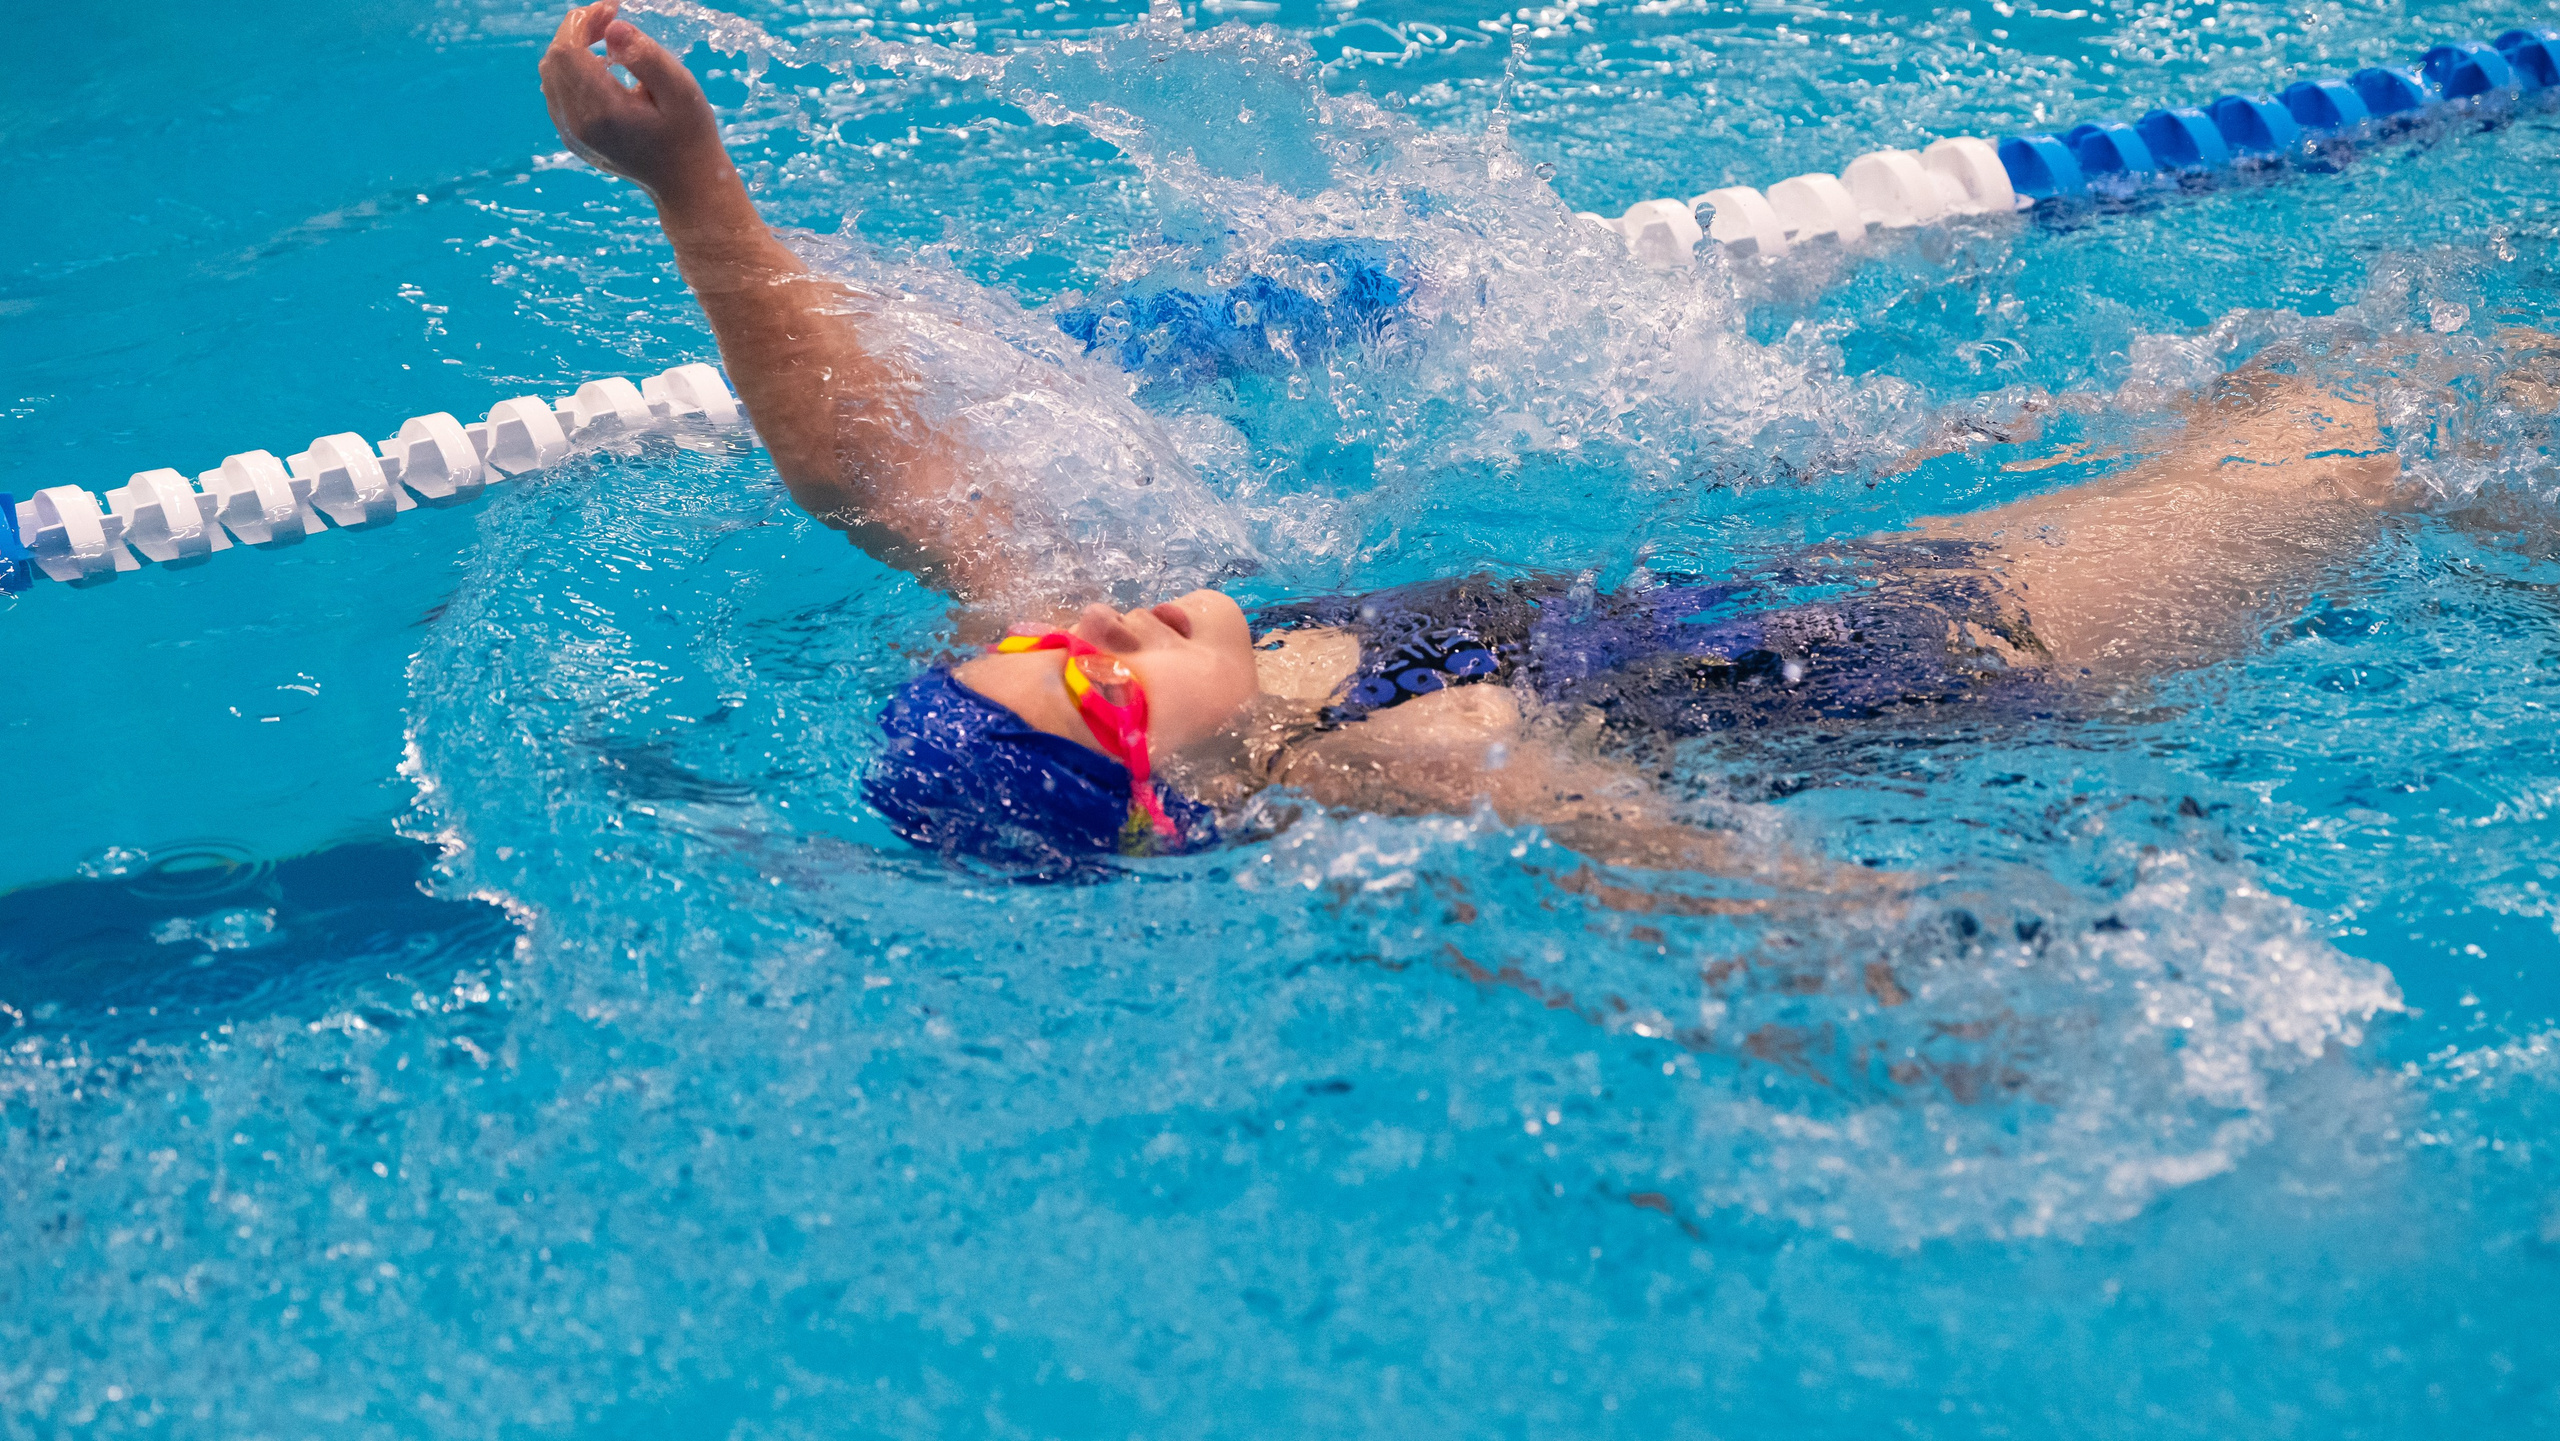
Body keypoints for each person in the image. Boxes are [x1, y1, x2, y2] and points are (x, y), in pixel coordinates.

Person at [535, 2, 2493, 874]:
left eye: (1050, 647)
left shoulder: (1177, 677)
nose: (1096, 635)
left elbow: (878, 475)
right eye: (1100, 694)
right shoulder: (1399, 758)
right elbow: (1697, 872)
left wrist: (693, 193)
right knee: (2385, 418)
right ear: (1171, 809)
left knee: (2351, 412)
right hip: (1965, 662)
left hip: (1817, 596)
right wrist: (1956, 1002)